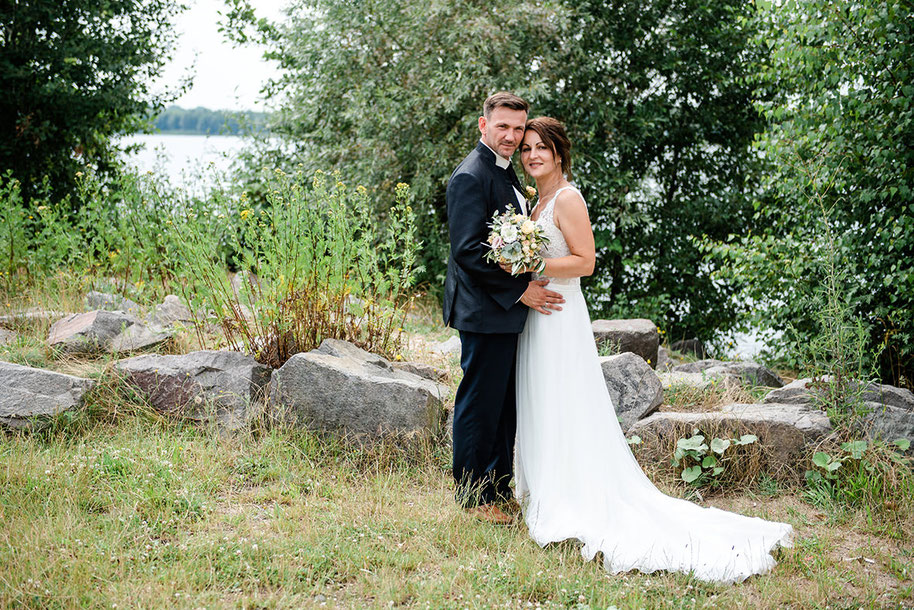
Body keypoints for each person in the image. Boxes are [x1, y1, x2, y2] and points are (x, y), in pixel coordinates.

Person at [509, 116, 794, 582]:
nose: (532, 155)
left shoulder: (567, 198)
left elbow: (586, 261)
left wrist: (532, 260)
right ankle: (546, 489)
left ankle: (574, 496)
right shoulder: (533, 202)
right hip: (537, 320)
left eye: (541, 147)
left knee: (567, 404)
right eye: (526, 149)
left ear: (558, 153)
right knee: (545, 405)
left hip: (561, 317)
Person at [443, 93, 566, 524]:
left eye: (519, 128)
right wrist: (520, 292)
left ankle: (498, 486)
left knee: (503, 404)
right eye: (504, 127)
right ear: (483, 125)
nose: (513, 136)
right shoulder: (470, 176)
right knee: (479, 402)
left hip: (502, 311)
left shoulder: (505, 170)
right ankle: (474, 498)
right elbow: (468, 252)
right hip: (483, 309)